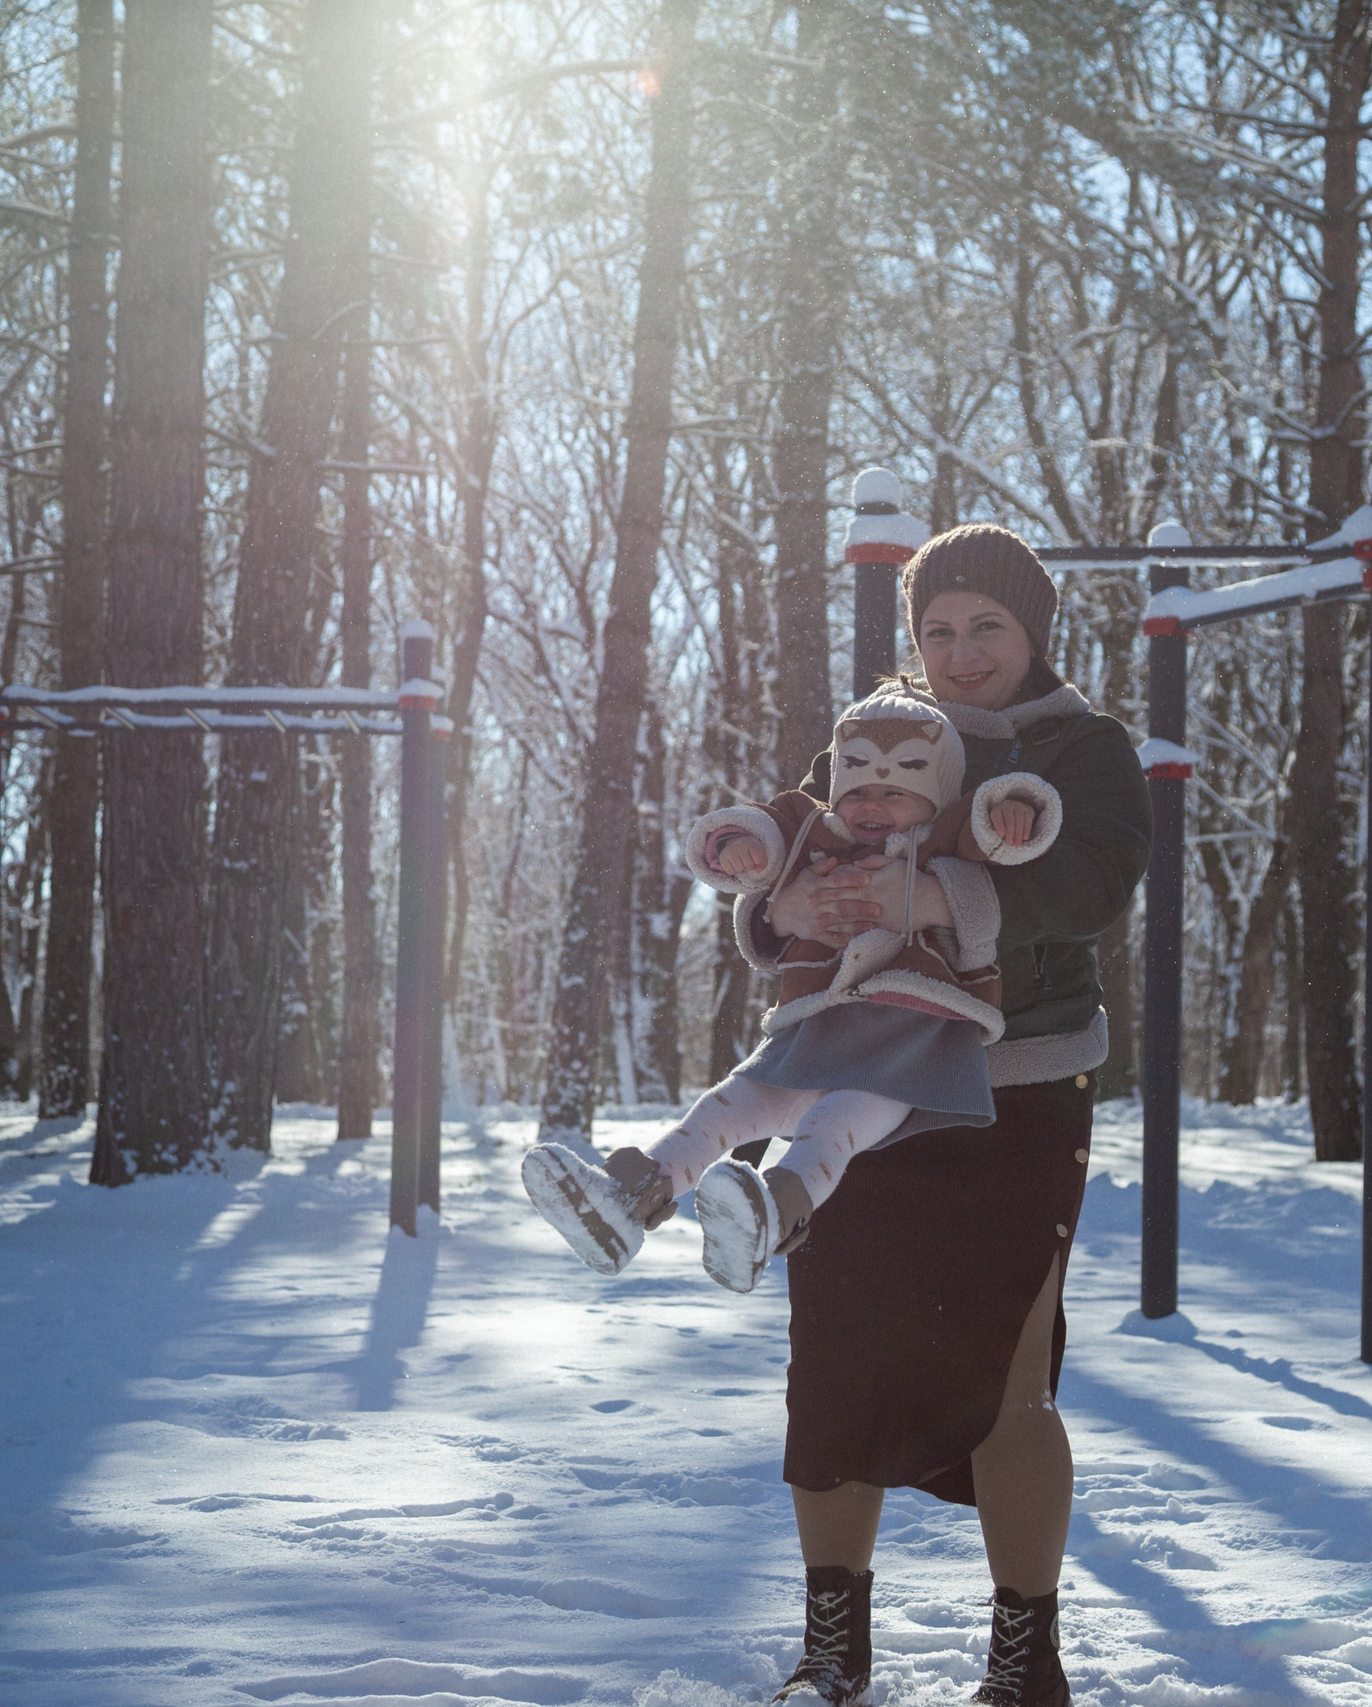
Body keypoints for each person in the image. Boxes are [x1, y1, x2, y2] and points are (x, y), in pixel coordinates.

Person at [750, 524, 1149, 1707]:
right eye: (938, 630)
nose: (961, 651)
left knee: (1009, 1375)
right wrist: (787, 912)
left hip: (1015, 1092)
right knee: (832, 1366)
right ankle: (833, 1654)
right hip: (858, 1078)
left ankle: (1025, 1664)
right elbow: (798, 855)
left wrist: (934, 894)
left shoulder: (1084, 747)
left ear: (1033, 632)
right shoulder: (883, 734)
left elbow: (1090, 885)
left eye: (987, 626)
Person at [518, 688, 1060, 1292]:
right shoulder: (813, 831)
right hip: (815, 1030)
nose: (872, 805)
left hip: (908, 1044)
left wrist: (1013, 814)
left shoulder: (943, 837)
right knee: (725, 1107)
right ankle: (626, 1202)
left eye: (896, 793)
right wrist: (739, 847)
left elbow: (991, 829)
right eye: (856, 791)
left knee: (830, 1128)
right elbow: (765, 827)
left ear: (935, 796)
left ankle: (772, 1217)